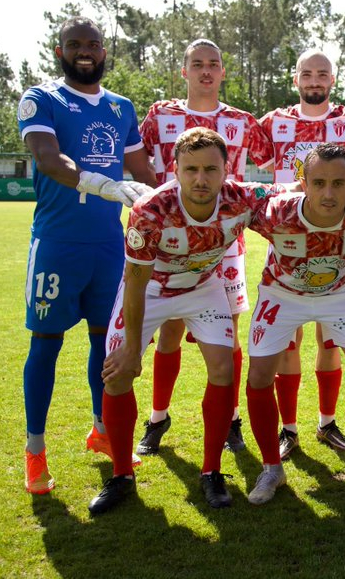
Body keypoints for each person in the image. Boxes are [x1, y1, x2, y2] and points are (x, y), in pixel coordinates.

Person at [89, 127, 278, 514]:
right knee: (117, 372)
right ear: (174, 169)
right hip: (151, 290)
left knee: (223, 368)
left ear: (227, 170)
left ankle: (211, 471)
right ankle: (122, 474)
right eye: (190, 169)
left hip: (203, 287)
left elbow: (292, 196)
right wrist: (131, 349)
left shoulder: (243, 198)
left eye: (211, 169)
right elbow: (137, 284)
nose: (201, 178)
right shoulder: (151, 211)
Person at [18, 16, 154, 494]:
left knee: (107, 344)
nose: (84, 52)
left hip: (108, 248)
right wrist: (101, 184)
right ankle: (35, 451)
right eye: (74, 45)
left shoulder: (121, 107)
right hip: (57, 244)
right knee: (47, 345)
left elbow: (144, 172)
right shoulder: (42, 98)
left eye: (93, 45)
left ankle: (102, 429)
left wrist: (177, 196)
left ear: (104, 51)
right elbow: (49, 159)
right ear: (60, 50)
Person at [135, 38, 272, 456]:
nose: (206, 71)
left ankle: (231, 420)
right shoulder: (161, 115)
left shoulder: (243, 121)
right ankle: (158, 417)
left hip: (224, 244)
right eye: (197, 64)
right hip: (169, 242)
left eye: (214, 64)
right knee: (170, 332)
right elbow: (135, 158)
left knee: (226, 335)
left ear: (223, 71)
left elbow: (278, 159)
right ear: (184, 71)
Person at [243, 143, 345, 504]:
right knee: (259, 377)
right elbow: (237, 203)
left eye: (339, 184)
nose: (328, 193)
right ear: (303, 182)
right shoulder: (275, 213)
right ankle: (270, 469)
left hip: (340, 296)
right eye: (319, 183)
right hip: (282, 295)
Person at [254, 50, 345, 459]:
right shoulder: (272, 122)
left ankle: (326, 422)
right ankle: (288, 429)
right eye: (307, 74)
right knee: (289, 342)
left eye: (322, 74)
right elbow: (233, 148)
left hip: (337, 241)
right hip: (289, 236)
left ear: (333, 79)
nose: (314, 81)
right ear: (295, 79)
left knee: (330, 342)